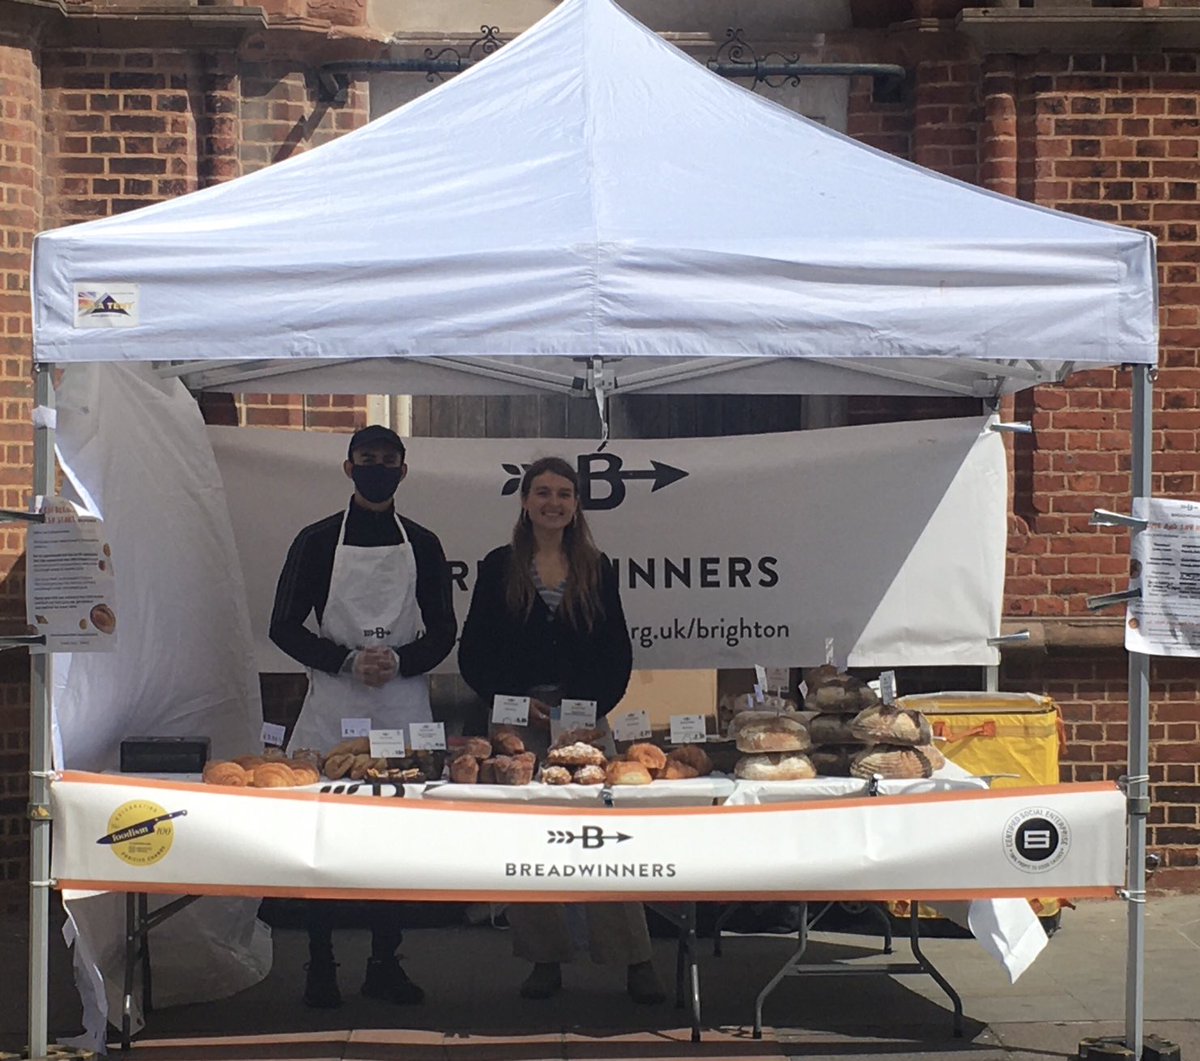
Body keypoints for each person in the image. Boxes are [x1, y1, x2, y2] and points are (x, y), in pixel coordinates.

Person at [457, 456, 665, 1005]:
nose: (553, 502)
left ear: (577, 505)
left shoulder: (598, 567)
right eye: (543, 492)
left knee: (610, 836)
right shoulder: (498, 566)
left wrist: (587, 710)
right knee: (529, 839)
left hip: (585, 720)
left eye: (564, 494)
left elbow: (618, 653)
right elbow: (473, 652)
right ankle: (544, 957)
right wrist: (518, 704)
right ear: (525, 501)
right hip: (514, 722)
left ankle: (634, 958)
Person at [269, 424, 456, 1009]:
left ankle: (384, 961)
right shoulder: (317, 540)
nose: (378, 468)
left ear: (404, 470)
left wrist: (401, 660)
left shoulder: (423, 542)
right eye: (367, 459)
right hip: (334, 704)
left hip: (402, 704)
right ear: (349, 468)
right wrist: (345, 660)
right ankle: (319, 963)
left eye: (389, 460)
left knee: (391, 841)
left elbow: (444, 629)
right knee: (324, 838)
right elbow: (282, 624)